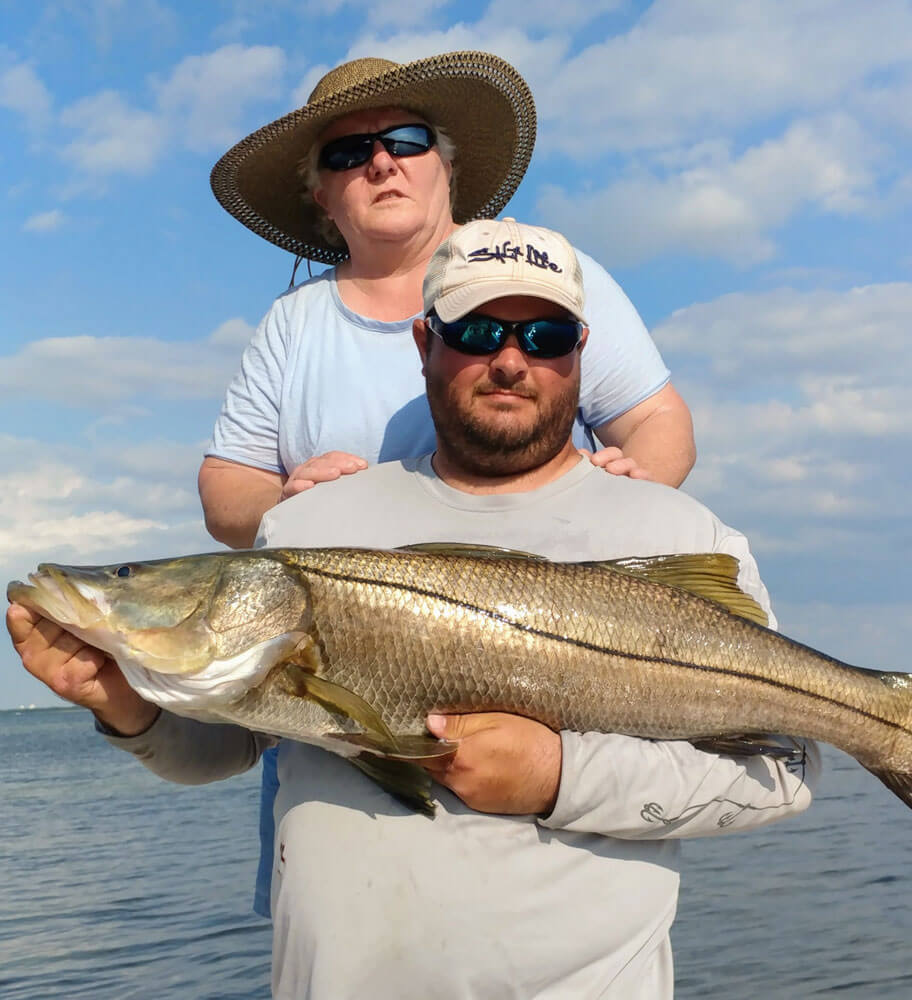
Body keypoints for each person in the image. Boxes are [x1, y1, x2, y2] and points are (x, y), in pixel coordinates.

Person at [8, 218, 817, 1000]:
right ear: (426, 343)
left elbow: (783, 773)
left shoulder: (679, 531)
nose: (510, 360)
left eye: (544, 337)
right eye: (476, 332)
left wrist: (559, 777)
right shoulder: (308, 522)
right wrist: (122, 706)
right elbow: (225, 747)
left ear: (581, 353)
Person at [199, 50, 696, 551]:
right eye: (347, 153)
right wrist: (284, 504)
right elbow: (227, 484)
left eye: (408, 141)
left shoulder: (545, 274)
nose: (382, 163)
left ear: (447, 166)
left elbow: (657, 421)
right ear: (322, 196)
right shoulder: (291, 320)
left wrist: (623, 499)